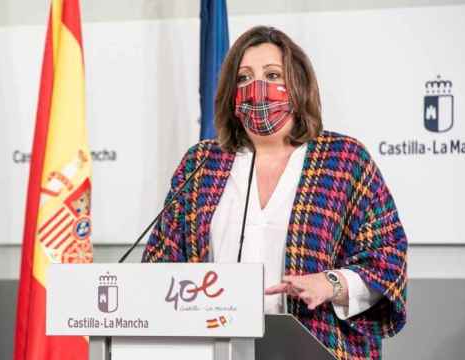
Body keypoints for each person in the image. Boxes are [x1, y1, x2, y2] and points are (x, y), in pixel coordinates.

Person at [142, 25, 407, 359]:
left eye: (272, 75)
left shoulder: (345, 160)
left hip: (317, 344)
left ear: (297, 84)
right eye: (244, 78)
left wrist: (332, 284)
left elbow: (388, 258)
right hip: (213, 347)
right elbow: (159, 261)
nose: (258, 89)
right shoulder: (202, 162)